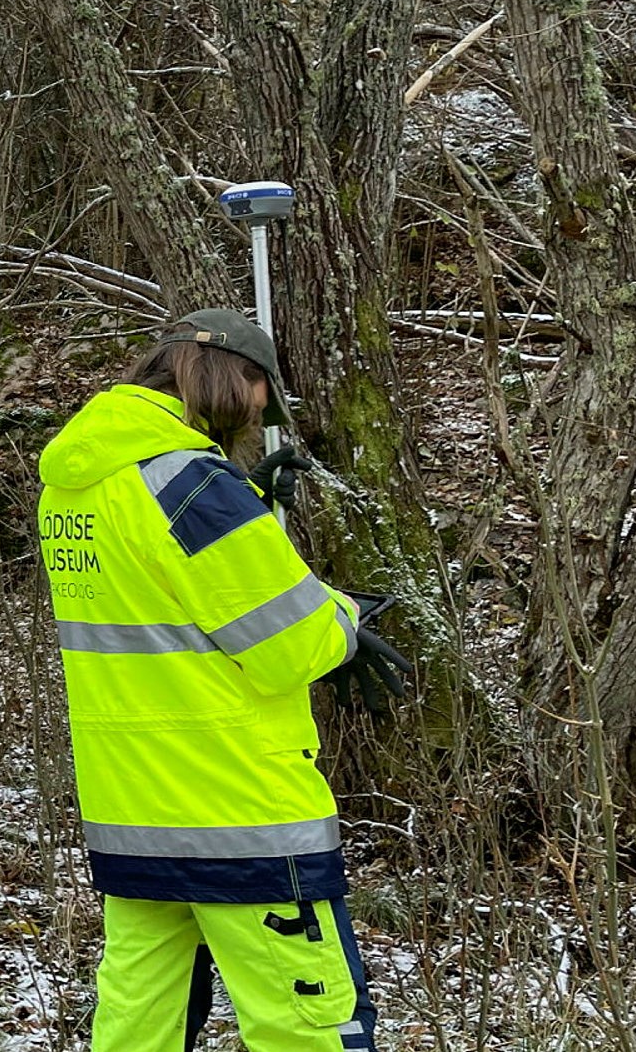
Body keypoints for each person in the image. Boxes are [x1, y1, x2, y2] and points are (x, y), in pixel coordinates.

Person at [36, 309, 401, 1052]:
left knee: (140, 1031)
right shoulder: (191, 483)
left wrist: (249, 511)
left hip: (133, 813)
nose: (262, 410)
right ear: (240, 378)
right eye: (265, 391)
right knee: (310, 1030)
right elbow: (291, 643)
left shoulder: (73, 486)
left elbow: (168, 607)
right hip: (241, 815)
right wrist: (346, 614)